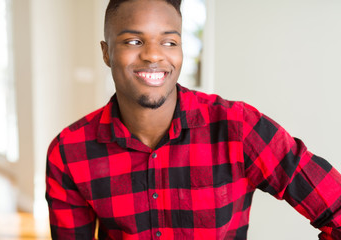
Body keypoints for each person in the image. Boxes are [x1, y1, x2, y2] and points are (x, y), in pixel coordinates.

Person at [45, 0, 341, 239]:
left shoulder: (238, 127)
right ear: (107, 52)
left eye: (169, 42)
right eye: (134, 41)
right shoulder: (69, 152)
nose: (153, 55)